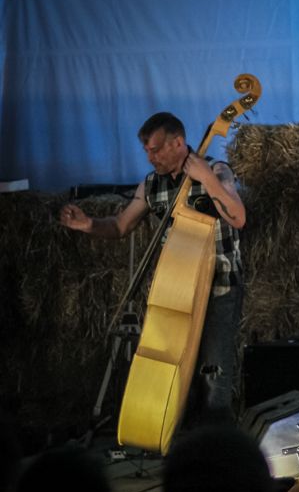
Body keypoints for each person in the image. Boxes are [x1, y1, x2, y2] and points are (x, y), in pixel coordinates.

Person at [59, 112, 246, 423]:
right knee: (177, 368)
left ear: (178, 143)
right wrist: (89, 224)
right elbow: (120, 226)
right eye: (146, 150)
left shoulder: (217, 170)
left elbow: (238, 217)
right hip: (177, 287)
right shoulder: (151, 184)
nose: (150, 157)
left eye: (156, 149)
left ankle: (216, 434)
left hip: (220, 284)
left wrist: (207, 179)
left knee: (214, 369)